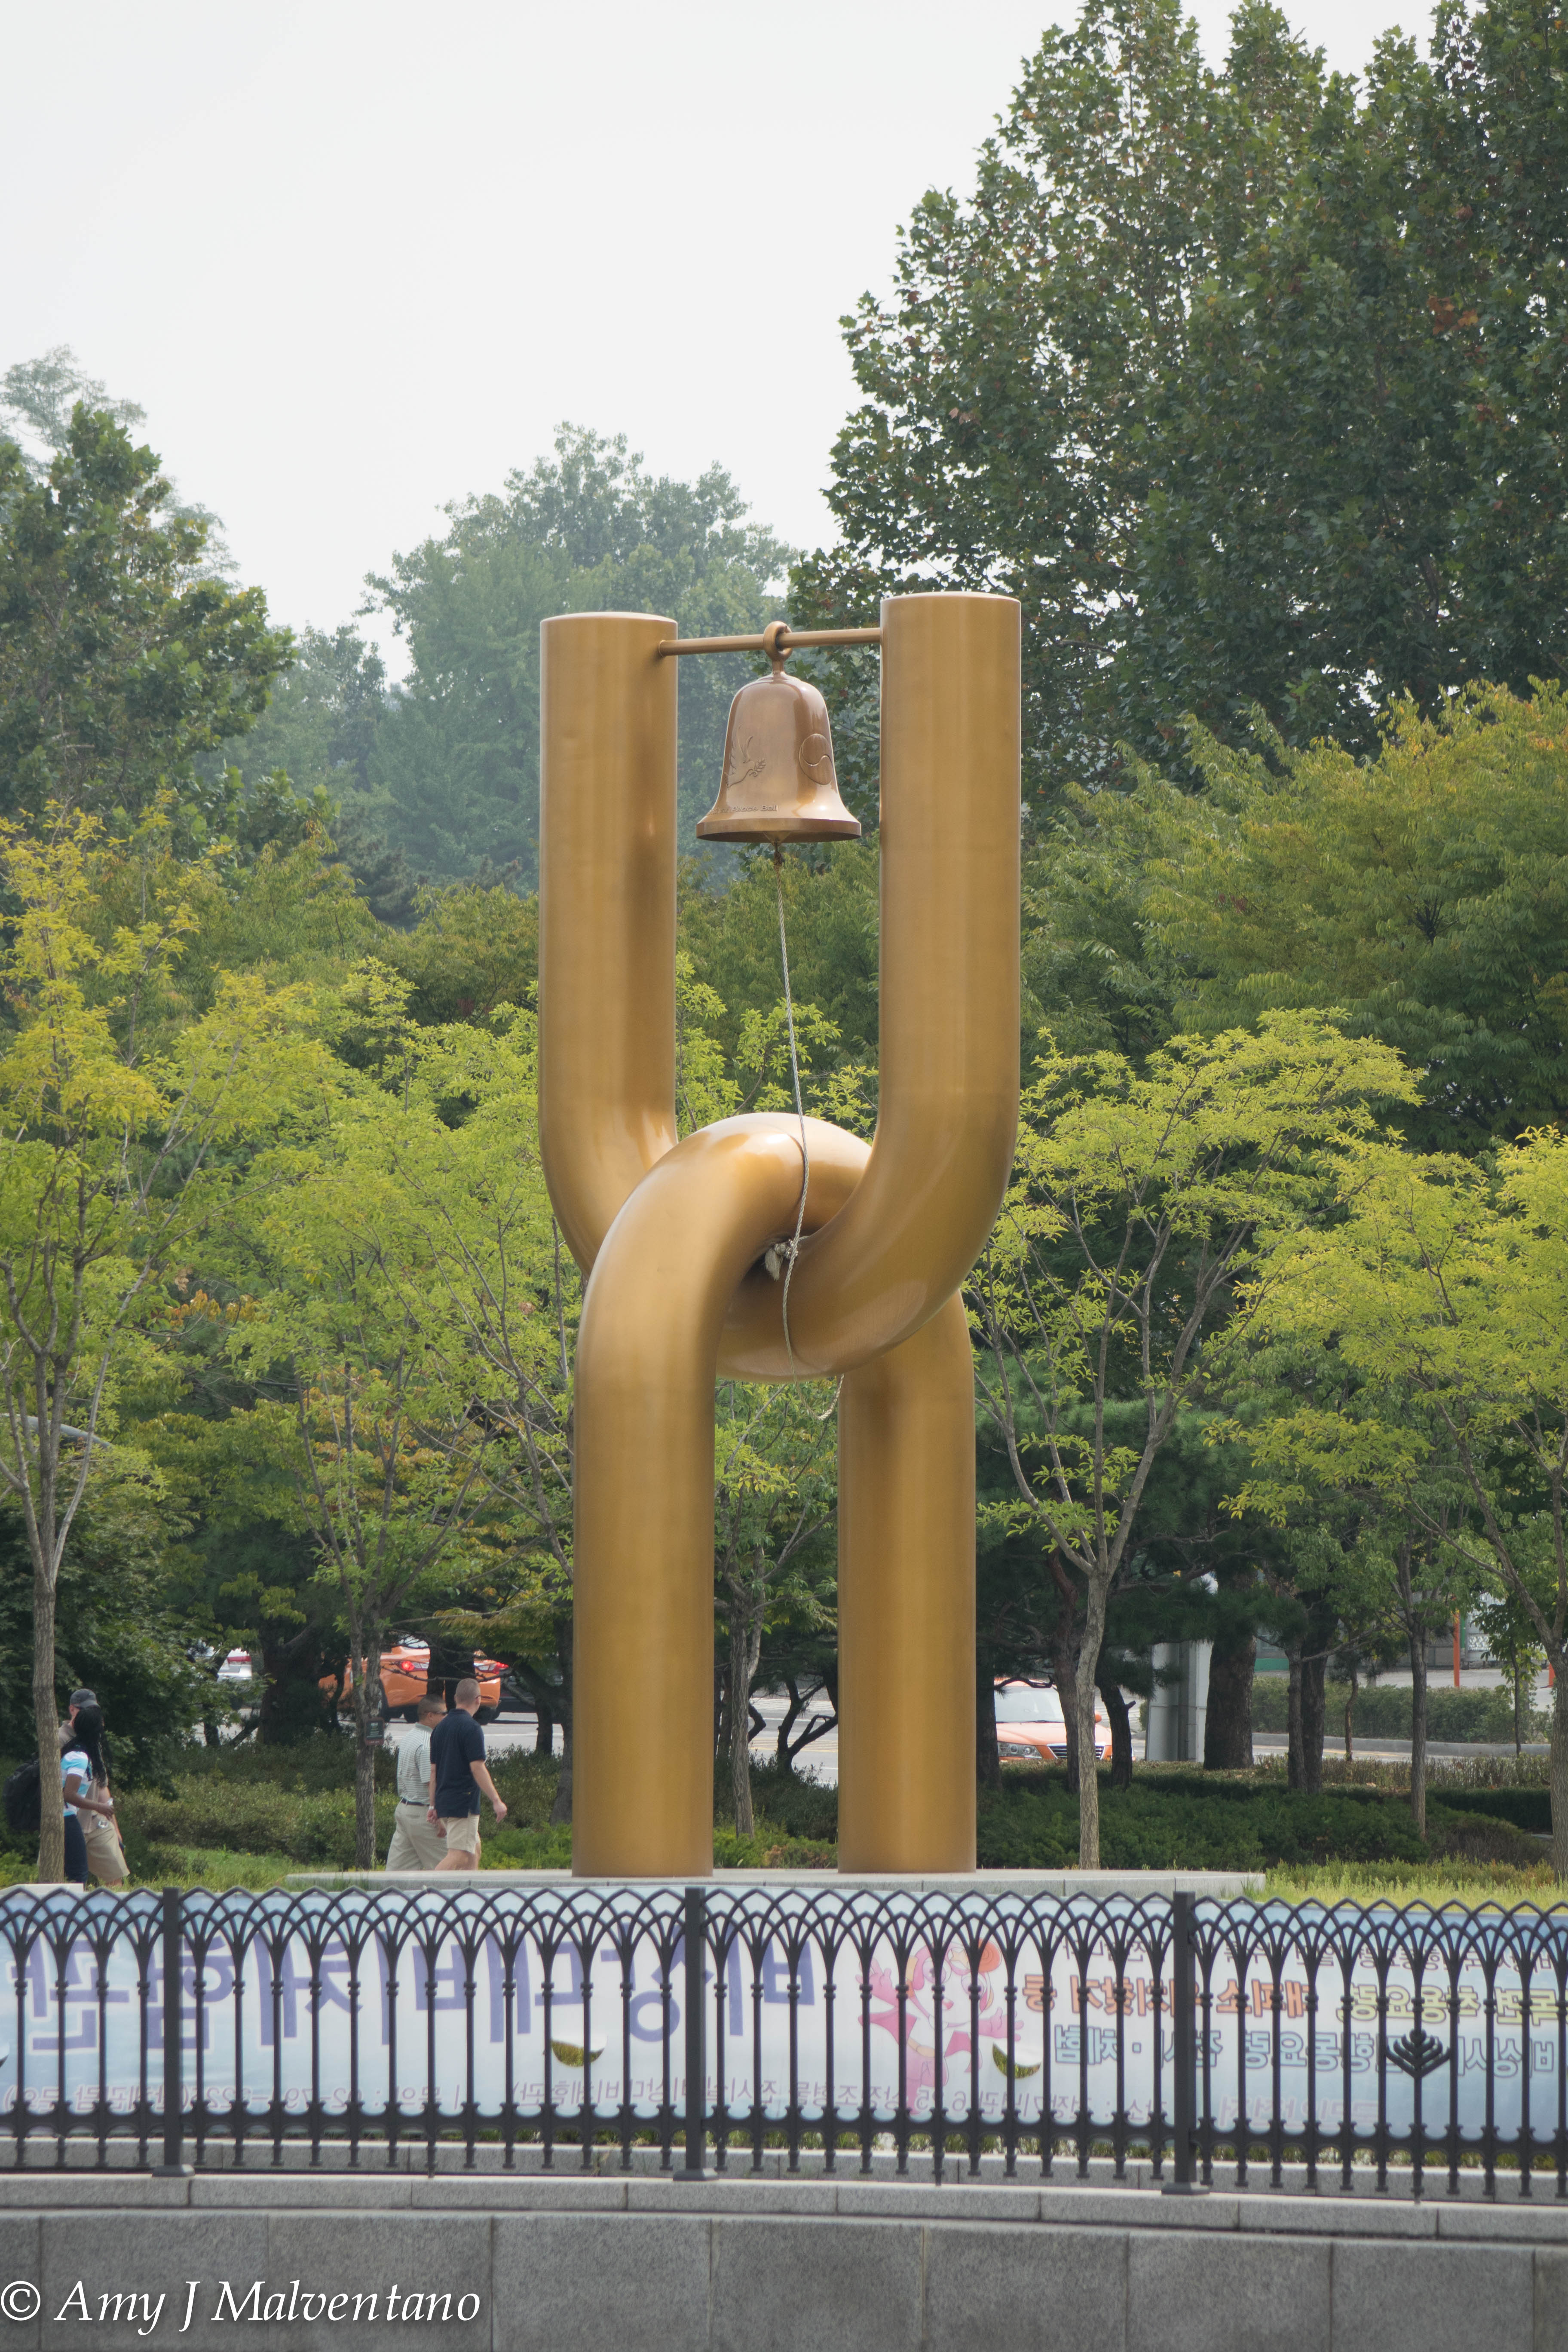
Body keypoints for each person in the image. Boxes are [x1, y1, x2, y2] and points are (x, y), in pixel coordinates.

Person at [428, 1677, 507, 1869]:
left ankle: (470, 1888)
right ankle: (429, 1886)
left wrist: (433, 1805)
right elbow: (477, 1768)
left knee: (474, 1852)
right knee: (460, 1855)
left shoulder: (440, 1728)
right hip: (463, 1803)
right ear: (478, 1700)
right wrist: (496, 1800)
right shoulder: (472, 1728)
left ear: (455, 1698)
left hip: (445, 1801)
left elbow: (434, 1771)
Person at [63, 1703, 126, 1887]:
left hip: (81, 1819)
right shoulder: (79, 1757)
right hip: (67, 1818)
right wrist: (99, 1807)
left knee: (84, 1874)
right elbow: (69, 1795)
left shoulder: (84, 1752)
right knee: (78, 1875)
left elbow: (101, 1787)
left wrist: (114, 1827)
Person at [384, 1694, 449, 1870]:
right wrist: (440, 1815)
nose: (447, 1717)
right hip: (424, 1816)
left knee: (398, 1874)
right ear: (430, 1716)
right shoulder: (428, 1744)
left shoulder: (410, 1737)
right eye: (444, 1713)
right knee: (448, 1870)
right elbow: (431, 1783)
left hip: (405, 1811)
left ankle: (389, 1890)